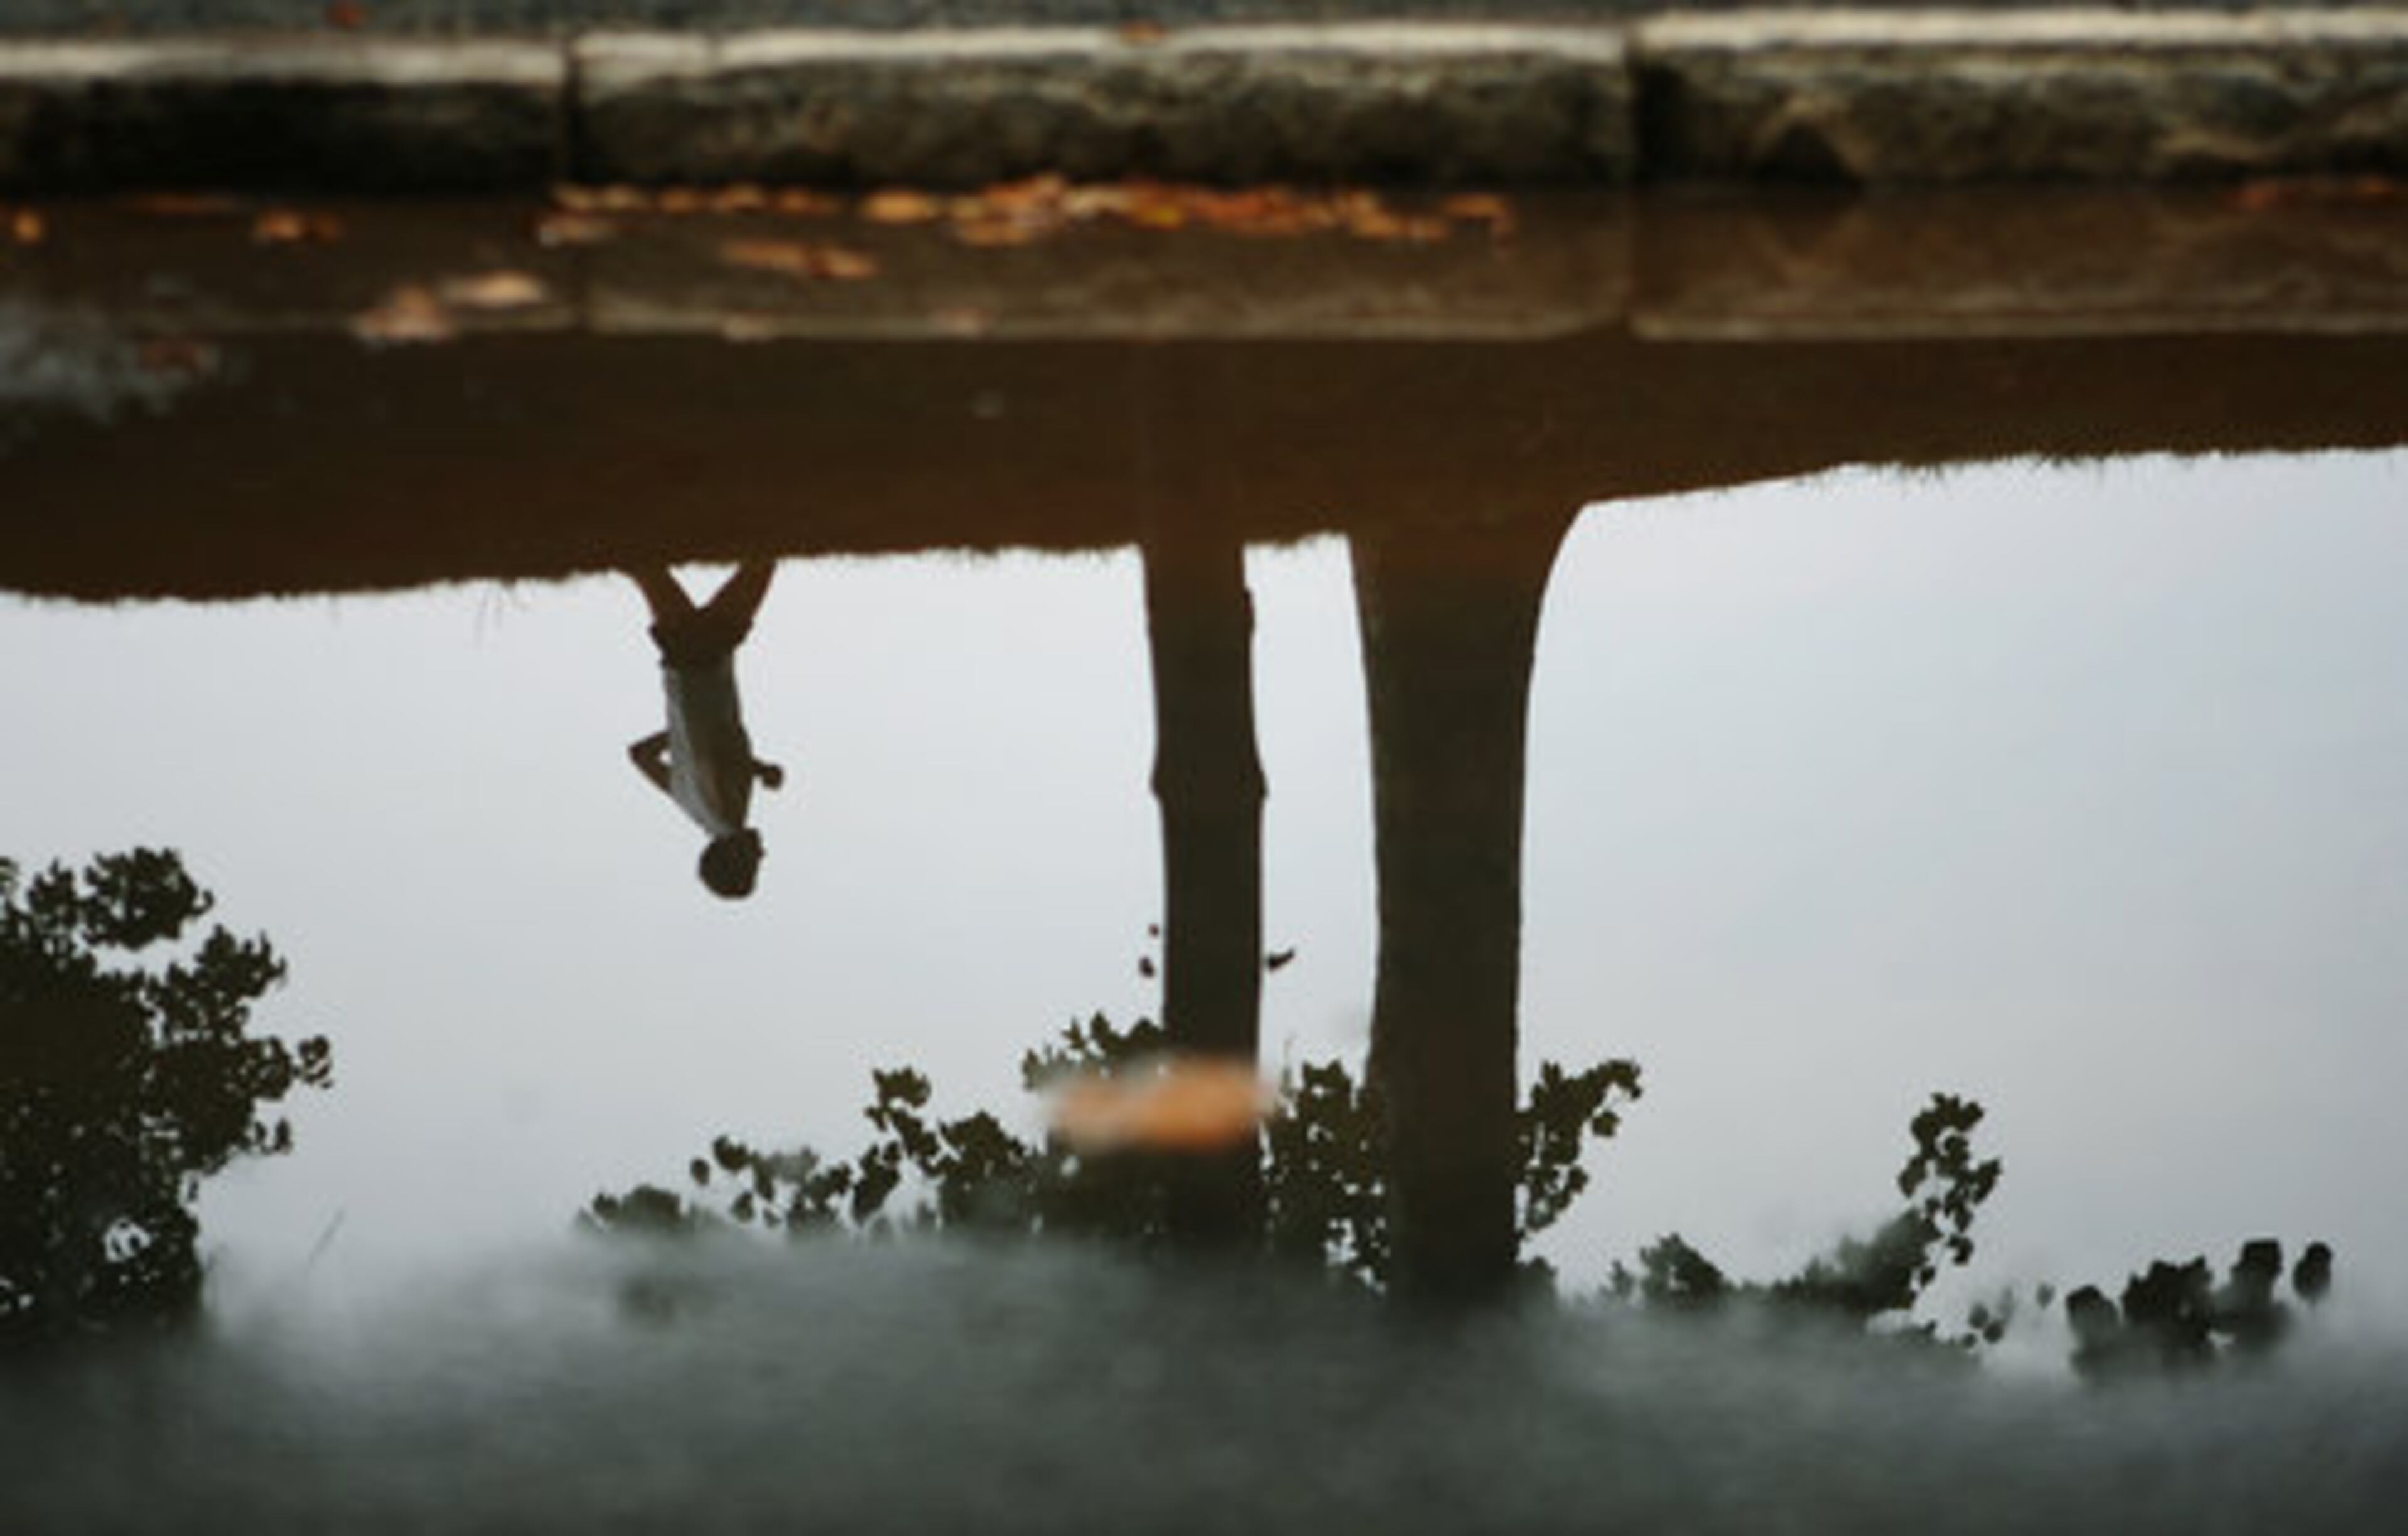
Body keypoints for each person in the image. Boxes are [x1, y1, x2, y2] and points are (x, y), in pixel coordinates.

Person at [626, 560, 784, 899]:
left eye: (754, 864)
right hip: (682, 663)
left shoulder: (726, 816)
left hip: (704, 656)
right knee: (641, 560)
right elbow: (640, 755)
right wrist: (681, 727)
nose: (762, 855)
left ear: (734, 860)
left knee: (767, 555)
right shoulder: (689, 803)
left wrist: (761, 770)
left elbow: (709, 758)